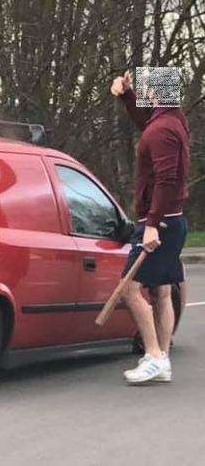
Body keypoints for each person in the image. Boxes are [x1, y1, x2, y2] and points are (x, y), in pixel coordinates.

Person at [110, 69, 190, 384]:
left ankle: (155, 356)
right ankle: (163, 358)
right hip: (172, 220)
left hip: (161, 223)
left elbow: (167, 178)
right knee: (163, 289)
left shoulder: (162, 131)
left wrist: (152, 224)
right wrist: (126, 95)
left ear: (156, 93)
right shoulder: (171, 123)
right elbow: (148, 125)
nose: (144, 94)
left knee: (130, 288)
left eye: (145, 90)